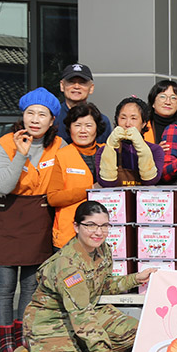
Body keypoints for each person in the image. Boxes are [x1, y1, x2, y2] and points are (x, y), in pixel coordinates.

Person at [5, 201, 157, 352]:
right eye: (91, 225)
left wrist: (135, 278)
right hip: (51, 326)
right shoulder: (68, 266)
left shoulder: (102, 250)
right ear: (76, 226)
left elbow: (103, 285)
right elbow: (83, 320)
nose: (98, 232)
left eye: (104, 226)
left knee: (138, 330)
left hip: (81, 316)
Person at [0, 88, 64, 352]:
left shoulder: (59, 147)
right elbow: (3, 186)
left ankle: (24, 340)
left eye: (42, 114)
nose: (35, 119)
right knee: (5, 284)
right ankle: (6, 344)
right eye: (30, 113)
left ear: (52, 120)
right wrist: (20, 155)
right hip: (6, 214)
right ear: (22, 116)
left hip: (38, 217)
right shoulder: (6, 143)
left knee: (31, 284)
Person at [47, 103, 106, 249]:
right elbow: (53, 198)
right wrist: (90, 189)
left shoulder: (108, 152)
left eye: (88, 125)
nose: (83, 131)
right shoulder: (62, 155)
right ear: (70, 128)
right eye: (77, 125)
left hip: (104, 235)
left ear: (97, 128)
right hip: (69, 236)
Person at [96, 97, 164, 187]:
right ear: (117, 120)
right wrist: (110, 147)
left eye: (134, 118)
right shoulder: (103, 151)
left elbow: (150, 181)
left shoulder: (155, 150)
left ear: (144, 123)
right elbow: (107, 183)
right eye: (123, 118)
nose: (128, 124)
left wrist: (141, 147)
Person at [53, 64, 111, 144]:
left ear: (91, 88)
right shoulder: (52, 118)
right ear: (62, 86)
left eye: (82, 83)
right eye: (71, 82)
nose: (76, 86)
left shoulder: (102, 121)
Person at [143, 80, 177, 144]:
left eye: (173, 98)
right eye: (162, 97)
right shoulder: (143, 127)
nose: (168, 102)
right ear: (153, 102)